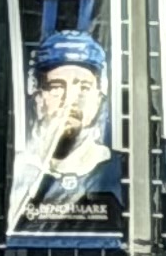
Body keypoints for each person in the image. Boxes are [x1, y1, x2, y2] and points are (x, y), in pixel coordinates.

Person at [16, 28, 123, 223]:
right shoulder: (20, 168)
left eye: (83, 87)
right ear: (38, 96)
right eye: (57, 87)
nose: (70, 100)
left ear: (99, 96)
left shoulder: (120, 170)